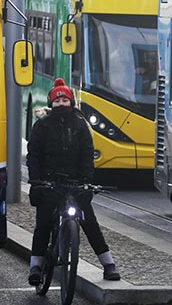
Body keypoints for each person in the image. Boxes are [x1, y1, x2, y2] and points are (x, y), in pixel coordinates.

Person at [26, 78, 121, 284]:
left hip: (75, 184)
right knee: (43, 224)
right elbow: (33, 155)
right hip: (49, 184)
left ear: (71, 102)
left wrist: (87, 180)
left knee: (90, 223)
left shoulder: (80, 125)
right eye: (57, 101)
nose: (61, 104)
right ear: (51, 104)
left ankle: (108, 264)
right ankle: (36, 266)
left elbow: (87, 154)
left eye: (65, 101)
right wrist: (36, 181)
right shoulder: (42, 126)